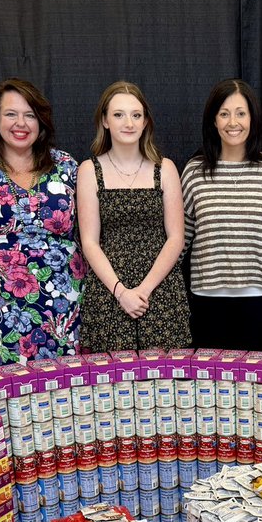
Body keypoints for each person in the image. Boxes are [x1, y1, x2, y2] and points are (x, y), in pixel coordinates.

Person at [0, 79, 85, 368]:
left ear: (41, 121)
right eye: (11, 114)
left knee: (63, 386)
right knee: (4, 385)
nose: (20, 123)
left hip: (61, 300)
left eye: (30, 115)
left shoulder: (66, 166)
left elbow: (84, 228)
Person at [77, 81, 191, 352]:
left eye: (136, 115)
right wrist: (122, 293)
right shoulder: (89, 170)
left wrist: (143, 291)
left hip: (160, 289)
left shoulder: (165, 168)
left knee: (166, 382)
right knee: (112, 384)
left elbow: (176, 238)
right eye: (118, 114)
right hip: (110, 291)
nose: (128, 122)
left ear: (145, 121)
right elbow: (89, 242)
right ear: (105, 120)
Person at [181, 79, 262, 350]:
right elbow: (182, 238)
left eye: (241, 113)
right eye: (224, 114)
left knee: (258, 387)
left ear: (252, 118)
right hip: (207, 299)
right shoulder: (195, 171)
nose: (233, 122)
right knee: (211, 386)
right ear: (213, 120)